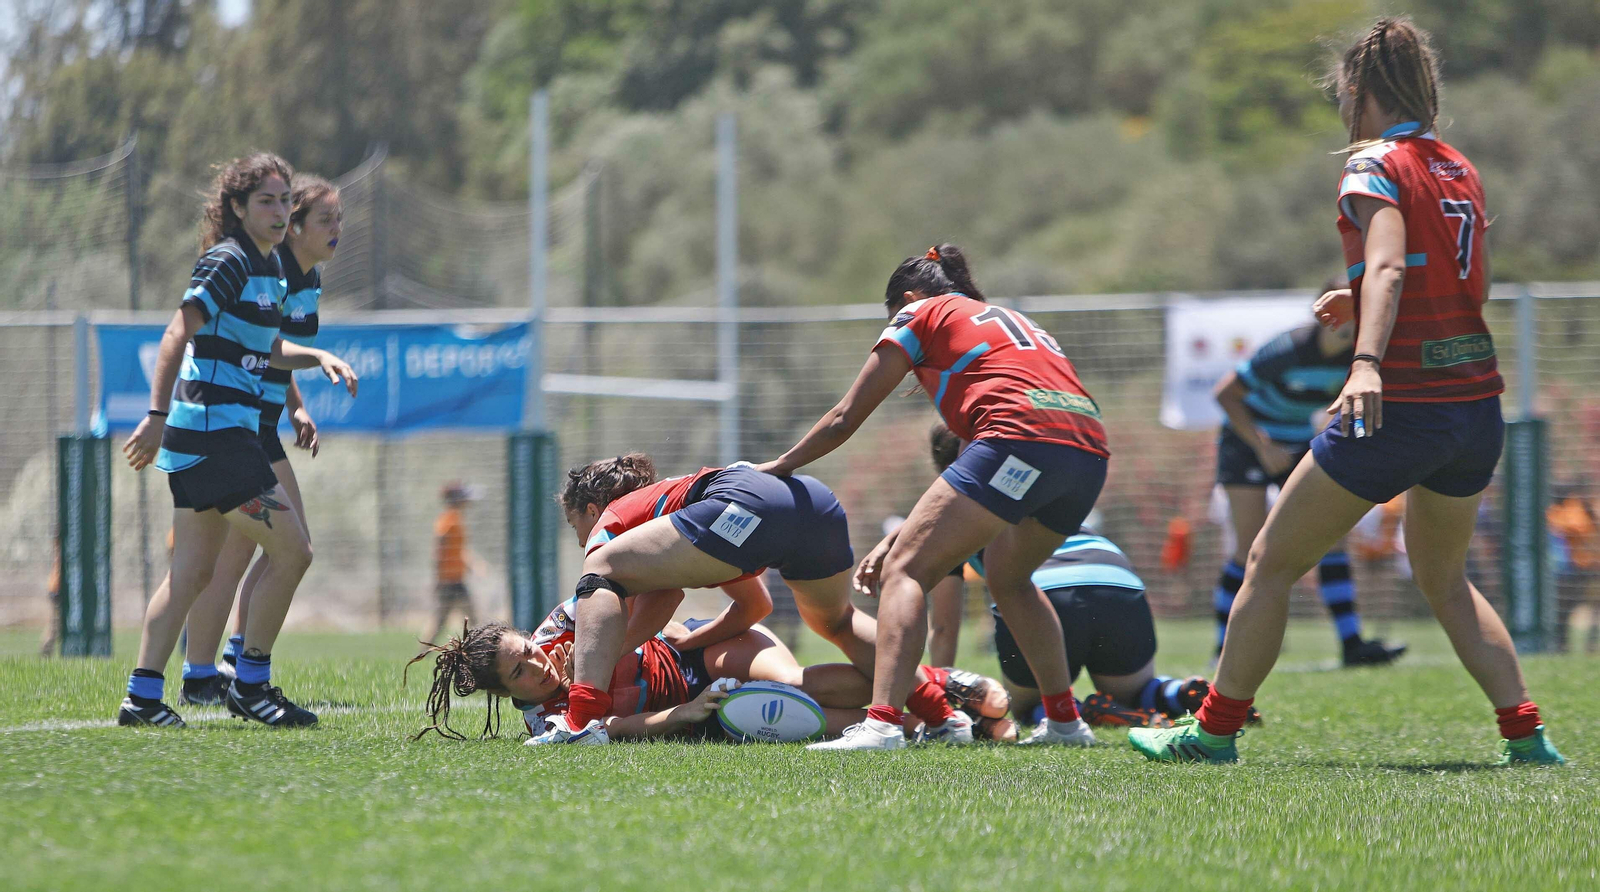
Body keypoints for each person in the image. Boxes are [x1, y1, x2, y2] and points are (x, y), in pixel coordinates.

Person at [1130, 18, 1564, 765]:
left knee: (1269, 563)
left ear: (1356, 91)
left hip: (1401, 408)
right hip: (1472, 405)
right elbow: (1472, 284)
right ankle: (1527, 739)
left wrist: (1365, 358)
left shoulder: (1374, 163)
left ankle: (1213, 733)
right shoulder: (1457, 165)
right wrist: (1361, 302)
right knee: (1445, 578)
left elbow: (1391, 265)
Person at [757, 244, 1108, 751]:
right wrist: (901, 535)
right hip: (1086, 453)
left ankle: (881, 725)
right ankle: (1066, 723)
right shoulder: (1007, 322)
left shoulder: (918, 310)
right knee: (1010, 578)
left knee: (906, 573)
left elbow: (844, 417)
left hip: (1019, 440)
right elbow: (966, 479)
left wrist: (778, 466)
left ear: (906, 296)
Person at [118, 153, 358, 729]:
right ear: (237, 208)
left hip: (217, 437)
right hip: (214, 436)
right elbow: (178, 331)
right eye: (266, 202)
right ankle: (249, 683)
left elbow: (269, 349)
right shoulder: (228, 261)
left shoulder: (270, 268)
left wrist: (317, 355)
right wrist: (155, 414)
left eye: (283, 200)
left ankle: (142, 697)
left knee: (193, 574)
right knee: (293, 550)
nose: (278, 212)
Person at [526, 455, 968, 745]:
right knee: (836, 622)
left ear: (590, 511)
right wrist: (687, 645)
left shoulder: (613, 523)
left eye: (573, 526)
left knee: (597, 573)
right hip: (809, 500)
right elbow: (754, 605)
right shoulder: (675, 522)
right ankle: (941, 712)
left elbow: (662, 597)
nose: (582, 537)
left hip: (744, 504)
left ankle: (581, 723)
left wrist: (596, 661)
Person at [923, 424, 1256, 729]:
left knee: (1025, 706)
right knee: (1135, 690)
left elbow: (944, 627)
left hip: (1045, 592)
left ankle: (1082, 712)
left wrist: (945, 693)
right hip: (1117, 583)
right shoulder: (1032, 483)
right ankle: (1178, 694)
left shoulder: (952, 519)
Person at [180, 174, 341, 704]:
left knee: (259, 553)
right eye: (325, 219)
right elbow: (258, 343)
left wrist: (296, 407)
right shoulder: (272, 272)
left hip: (262, 427)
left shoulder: (307, 277)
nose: (336, 229)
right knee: (276, 551)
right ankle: (219, 671)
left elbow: (273, 350)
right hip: (238, 428)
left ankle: (216, 668)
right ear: (294, 228)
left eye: (339, 219)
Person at [408, 606, 1012, 743]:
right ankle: (928, 722)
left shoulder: (565, 624)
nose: (539, 663)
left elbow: (637, 596)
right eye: (521, 672)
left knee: (790, 685)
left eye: (528, 650)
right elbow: (617, 728)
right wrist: (687, 714)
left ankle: (939, 684)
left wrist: (646, 636)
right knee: (800, 721)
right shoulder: (547, 722)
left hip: (703, 648)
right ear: (507, 694)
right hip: (703, 702)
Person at [1212, 307, 1406, 666]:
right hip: (1248, 443)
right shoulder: (1288, 349)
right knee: (1248, 546)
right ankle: (1223, 650)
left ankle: (1352, 645)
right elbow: (1225, 393)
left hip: (1299, 442)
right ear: (1326, 316)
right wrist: (1261, 446)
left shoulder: (1359, 357)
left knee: (1331, 540)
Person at [427, 482, 484, 643]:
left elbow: (459, 551)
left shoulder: (456, 520)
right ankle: (480, 649)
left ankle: (422, 653)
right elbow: (439, 549)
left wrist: (472, 564)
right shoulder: (448, 521)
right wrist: (438, 579)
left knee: (445, 620)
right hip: (450, 581)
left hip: (456, 579)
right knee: (470, 618)